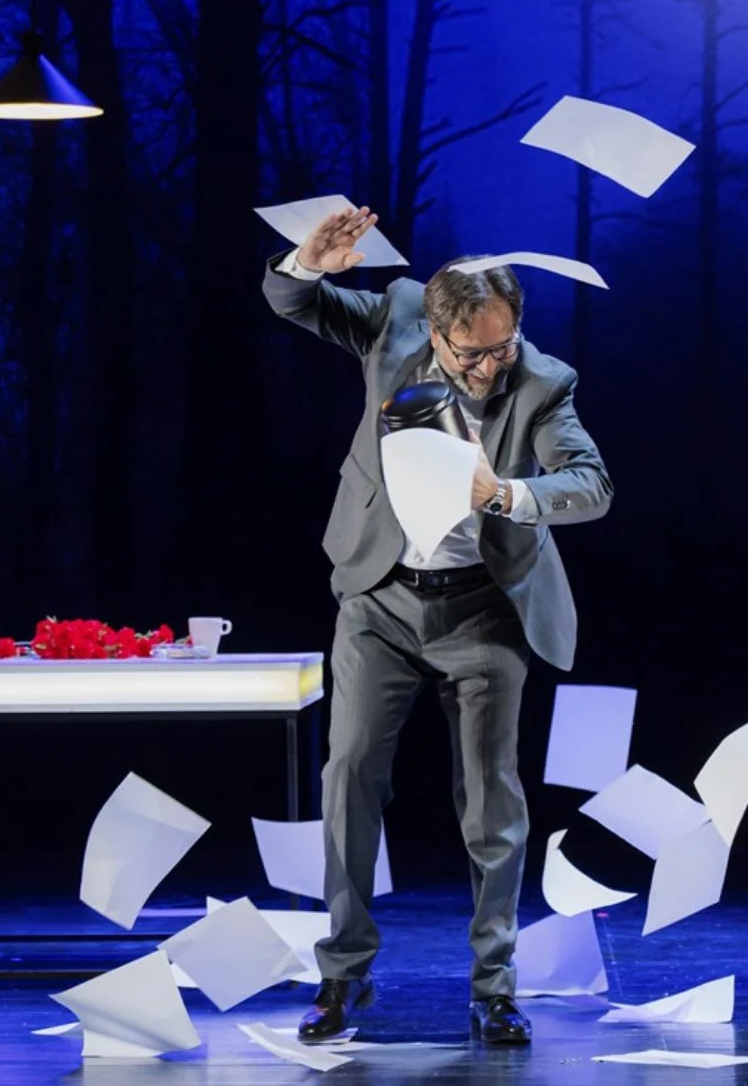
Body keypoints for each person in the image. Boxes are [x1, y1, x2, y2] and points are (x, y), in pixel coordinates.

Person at [263, 206, 614, 1047]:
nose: (490, 366)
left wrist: (507, 493)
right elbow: (291, 302)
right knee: (349, 773)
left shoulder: (543, 381)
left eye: (503, 346)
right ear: (437, 331)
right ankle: (343, 975)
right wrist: (306, 262)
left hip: (483, 604)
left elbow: (591, 483)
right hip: (380, 595)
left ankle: (495, 986)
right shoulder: (395, 318)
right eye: (472, 353)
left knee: (492, 800)